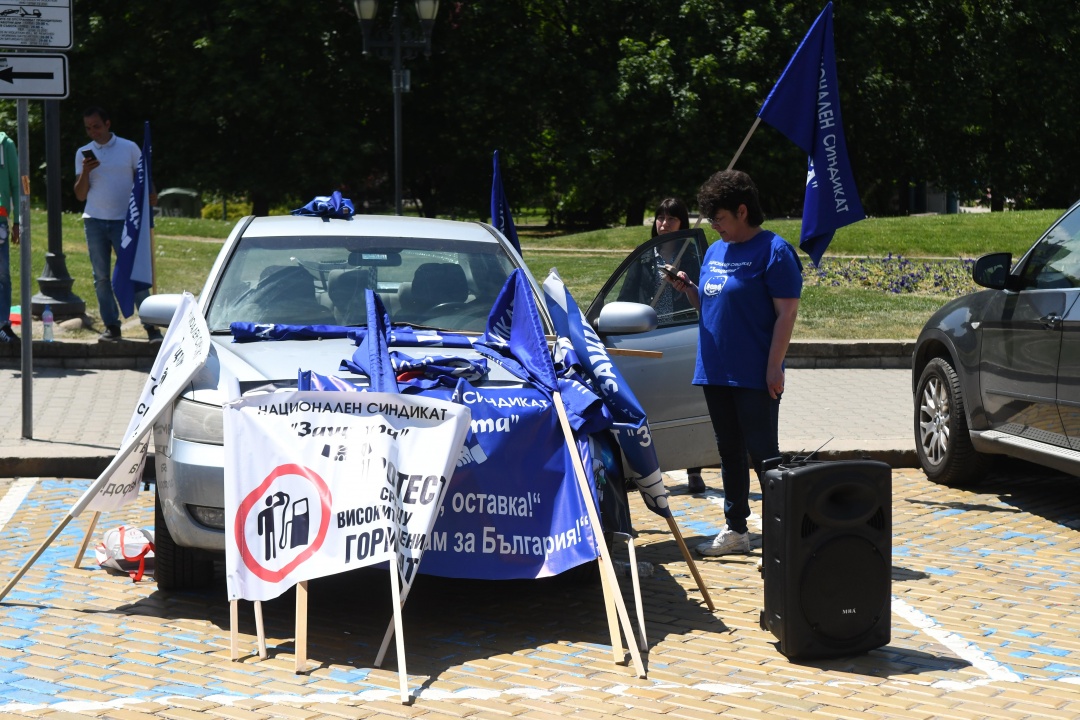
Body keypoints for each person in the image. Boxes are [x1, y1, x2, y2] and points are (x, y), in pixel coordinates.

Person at [668, 170, 802, 556]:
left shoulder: (774, 251)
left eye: (720, 218)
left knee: (763, 454)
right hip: (714, 369)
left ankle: (783, 531)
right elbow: (712, 305)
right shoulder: (715, 251)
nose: (715, 226)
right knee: (728, 452)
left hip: (754, 372)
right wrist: (690, 290)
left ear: (742, 211)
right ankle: (736, 529)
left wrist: (774, 366)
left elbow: (786, 315)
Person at [619, 198, 709, 493]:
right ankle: (649, 467)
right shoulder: (646, 258)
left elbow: (704, 296)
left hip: (682, 335)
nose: (664, 223)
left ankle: (694, 468)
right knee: (656, 402)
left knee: (688, 399)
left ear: (683, 222)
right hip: (651, 336)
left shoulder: (691, 256)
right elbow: (627, 295)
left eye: (671, 218)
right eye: (660, 217)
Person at [74, 106, 161, 342]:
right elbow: (80, 195)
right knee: (100, 276)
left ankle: (151, 327)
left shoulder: (129, 147)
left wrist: (152, 195)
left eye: (97, 126)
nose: (93, 132)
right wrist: (84, 171)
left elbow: (144, 177)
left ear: (108, 124)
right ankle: (112, 326)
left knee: (134, 271)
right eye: (88, 128)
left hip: (126, 220)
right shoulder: (84, 152)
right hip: (94, 220)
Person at [0, 129, 18, 343]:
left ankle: (3, 324)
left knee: (2, 276)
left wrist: (18, 222)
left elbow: (17, 183)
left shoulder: (7, 145)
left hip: (1, 222)